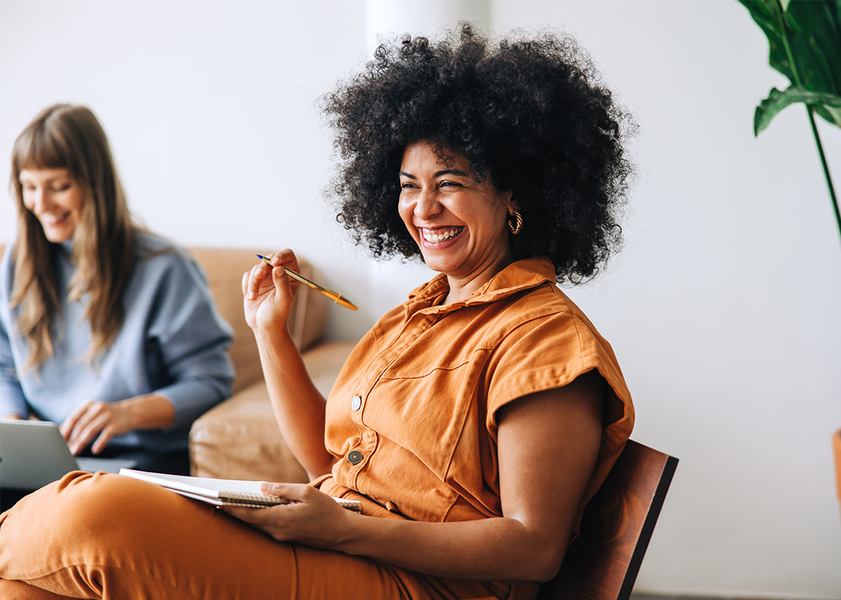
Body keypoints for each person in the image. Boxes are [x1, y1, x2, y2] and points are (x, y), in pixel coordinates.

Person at [0, 25, 635, 600]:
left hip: (422, 584)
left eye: (450, 182)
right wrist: (270, 331)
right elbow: (326, 465)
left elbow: (535, 547)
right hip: (341, 546)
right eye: (408, 186)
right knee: (30, 585)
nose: (422, 208)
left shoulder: (547, 340)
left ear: (516, 194)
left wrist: (344, 533)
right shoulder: (416, 314)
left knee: (89, 515)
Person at [0, 104, 234, 476]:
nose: (40, 205)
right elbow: (4, 366)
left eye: (58, 186)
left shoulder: (165, 267)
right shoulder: (17, 262)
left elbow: (211, 383)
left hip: (137, 465)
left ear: (94, 183)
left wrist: (126, 413)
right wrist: (13, 430)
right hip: (47, 463)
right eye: (29, 187)